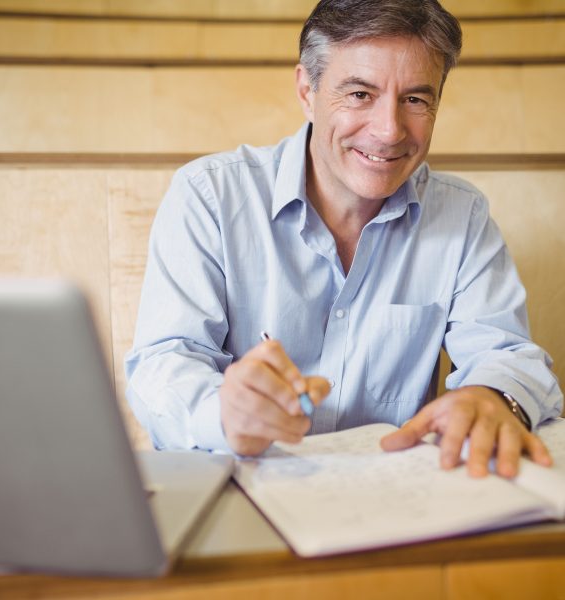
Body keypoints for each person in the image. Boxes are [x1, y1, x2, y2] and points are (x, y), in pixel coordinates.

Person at [125, 0, 563, 478]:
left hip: (398, 502)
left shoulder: (462, 215)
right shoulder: (209, 195)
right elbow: (163, 367)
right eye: (359, 94)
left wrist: (490, 396)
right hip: (242, 490)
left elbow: (507, 354)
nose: (389, 130)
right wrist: (222, 413)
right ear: (307, 91)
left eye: (415, 99)